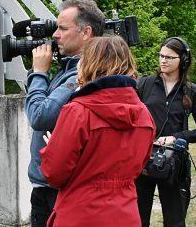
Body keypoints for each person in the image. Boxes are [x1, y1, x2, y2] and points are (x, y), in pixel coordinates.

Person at [39, 36, 156, 226]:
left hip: (81, 214)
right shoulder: (144, 113)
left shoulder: (77, 111)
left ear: (88, 64)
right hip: (125, 215)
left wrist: (52, 148)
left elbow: (54, 174)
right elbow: (139, 165)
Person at [25, 0, 105, 226]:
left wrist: (39, 73)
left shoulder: (82, 75)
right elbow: (34, 107)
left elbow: (39, 116)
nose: (55, 35)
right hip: (48, 182)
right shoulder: (67, 70)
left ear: (86, 32)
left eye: (63, 28)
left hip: (61, 186)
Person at [136, 37, 196, 227]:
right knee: (137, 220)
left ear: (183, 61)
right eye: (161, 55)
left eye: (170, 57)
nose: (163, 60)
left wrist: (175, 138)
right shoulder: (144, 84)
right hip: (142, 161)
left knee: (175, 221)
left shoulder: (192, 91)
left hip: (174, 163)